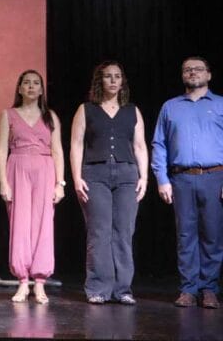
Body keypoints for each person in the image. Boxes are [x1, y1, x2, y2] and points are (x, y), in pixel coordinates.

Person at [70, 61, 148, 305]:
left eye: (117, 76)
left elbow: (140, 146)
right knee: (99, 232)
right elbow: (76, 145)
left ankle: (123, 289)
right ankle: (98, 288)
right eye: (108, 76)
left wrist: (144, 177)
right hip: (95, 174)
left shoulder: (132, 110)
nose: (113, 80)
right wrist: (76, 177)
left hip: (127, 175)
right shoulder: (86, 109)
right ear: (100, 81)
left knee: (124, 232)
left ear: (122, 81)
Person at [152, 56, 223, 309]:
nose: (193, 73)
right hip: (181, 178)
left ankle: (209, 289)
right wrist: (162, 180)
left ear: (209, 74)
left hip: (215, 177)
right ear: (182, 76)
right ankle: (188, 289)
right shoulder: (170, 107)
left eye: (198, 69)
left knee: (213, 236)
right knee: (185, 236)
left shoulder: (220, 104)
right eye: (187, 70)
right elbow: (159, 144)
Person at [0, 69, 65, 304]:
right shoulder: (9, 115)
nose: (31, 86)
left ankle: (40, 283)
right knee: (20, 225)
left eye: (36, 83)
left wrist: (60, 183)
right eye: (26, 83)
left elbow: (57, 150)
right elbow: (2, 149)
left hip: (45, 171)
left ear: (42, 89)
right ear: (19, 88)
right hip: (17, 169)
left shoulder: (50, 117)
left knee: (43, 225)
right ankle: (23, 282)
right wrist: (3, 182)